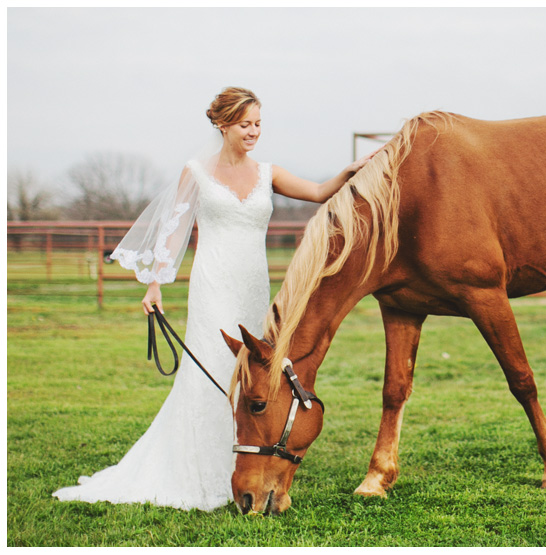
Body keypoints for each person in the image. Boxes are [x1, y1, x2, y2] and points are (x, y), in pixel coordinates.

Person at [53, 87, 372, 511]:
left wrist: (349, 171)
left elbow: (317, 192)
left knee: (253, 378)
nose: (254, 131)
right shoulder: (196, 172)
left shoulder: (267, 173)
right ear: (223, 125)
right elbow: (171, 232)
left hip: (254, 287)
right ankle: (201, 471)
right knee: (212, 370)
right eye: (245, 124)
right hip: (212, 285)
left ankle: (248, 462)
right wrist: (155, 285)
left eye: (258, 123)